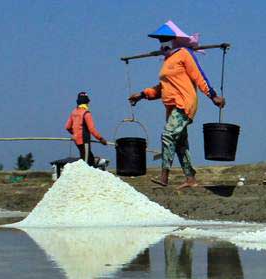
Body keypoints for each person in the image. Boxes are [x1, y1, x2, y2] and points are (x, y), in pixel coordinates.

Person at [129, 21, 226, 189]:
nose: (162, 43)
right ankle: (190, 179)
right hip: (171, 107)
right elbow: (162, 88)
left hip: (184, 104)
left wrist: (213, 96)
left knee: (168, 135)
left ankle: (164, 176)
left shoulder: (184, 54)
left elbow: (198, 76)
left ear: (175, 40)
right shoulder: (167, 61)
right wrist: (142, 94)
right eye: (160, 40)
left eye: (165, 39)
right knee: (180, 143)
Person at [64, 91, 107, 166]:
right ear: (86, 102)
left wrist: (75, 133)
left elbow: (67, 127)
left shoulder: (74, 112)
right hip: (84, 140)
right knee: (85, 162)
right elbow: (92, 129)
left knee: (89, 158)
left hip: (76, 140)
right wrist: (101, 139)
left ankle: (94, 167)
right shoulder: (86, 113)